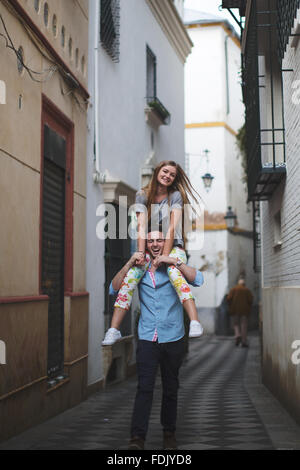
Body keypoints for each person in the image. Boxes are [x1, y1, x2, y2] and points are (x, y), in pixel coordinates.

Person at [108, 230, 204, 450]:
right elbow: (114, 289)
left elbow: (198, 279)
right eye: (150, 240)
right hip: (148, 337)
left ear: (166, 242)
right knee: (144, 388)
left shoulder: (173, 266)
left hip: (173, 336)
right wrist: (128, 263)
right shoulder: (139, 267)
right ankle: (137, 438)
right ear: (145, 243)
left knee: (171, 387)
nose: (155, 244)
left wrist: (175, 262)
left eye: (159, 239)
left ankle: (169, 434)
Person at [102, 160, 203, 346]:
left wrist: (164, 257)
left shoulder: (175, 196)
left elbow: (172, 228)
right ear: (157, 171)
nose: (168, 176)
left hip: (173, 247)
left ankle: (195, 322)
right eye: (165, 171)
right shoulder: (142, 194)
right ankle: (113, 329)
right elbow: (141, 226)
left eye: (172, 174)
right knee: (130, 277)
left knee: (174, 273)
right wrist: (140, 253)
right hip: (150, 245)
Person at [227, 278, 253, 347]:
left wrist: (231, 305)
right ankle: (244, 341)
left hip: (235, 310)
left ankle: (237, 335)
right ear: (244, 284)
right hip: (244, 311)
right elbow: (250, 300)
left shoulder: (233, 289)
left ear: (238, 283)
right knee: (243, 325)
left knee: (236, 324)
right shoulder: (247, 290)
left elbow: (229, 298)